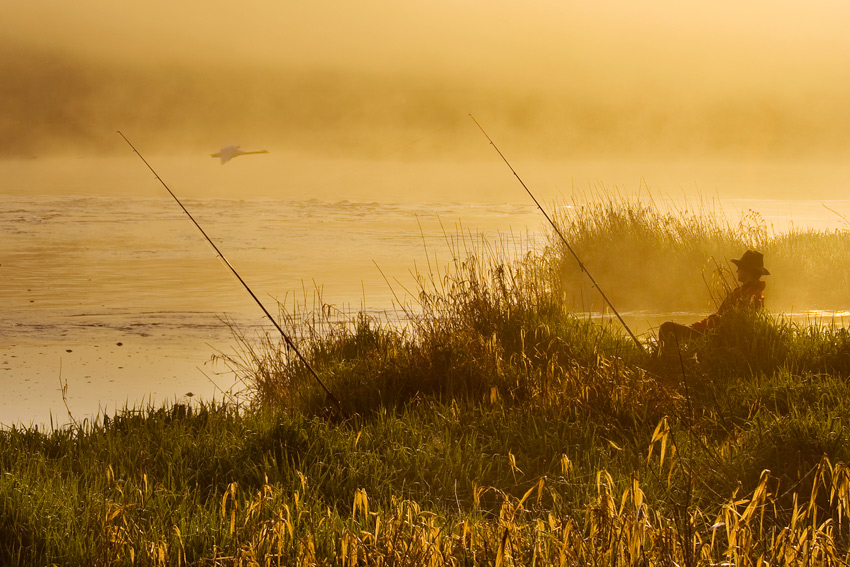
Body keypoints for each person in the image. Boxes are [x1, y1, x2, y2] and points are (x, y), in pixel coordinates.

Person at [655, 250, 769, 358]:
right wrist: (697, 326)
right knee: (672, 330)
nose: (737, 271)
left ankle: (666, 363)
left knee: (667, 328)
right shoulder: (750, 293)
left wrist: (698, 328)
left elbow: (723, 321)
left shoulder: (749, 296)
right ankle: (668, 361)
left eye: (739, 267)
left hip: (715, 339)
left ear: (748, 270)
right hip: (715, 337)